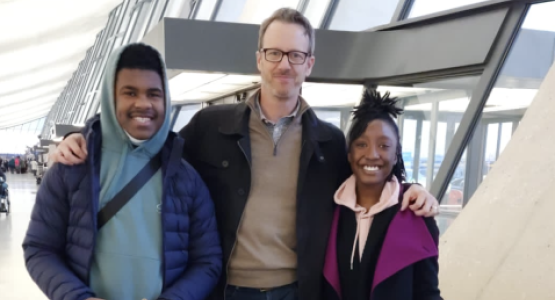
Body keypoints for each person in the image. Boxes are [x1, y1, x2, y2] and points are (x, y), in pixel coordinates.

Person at [51, 8, 439, 300]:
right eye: (274, 53)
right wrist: (86, 137)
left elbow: (369, 180)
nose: (284, 63)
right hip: (224, 289)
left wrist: (413, 189)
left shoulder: (330, 142)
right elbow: (148, 148)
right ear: (259, 59)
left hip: (295, 290)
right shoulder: (211, 126)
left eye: (295, 55)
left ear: (309, 65)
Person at [23, 43, 222, 300]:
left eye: (154, 94)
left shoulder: (186, 178)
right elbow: (39, 248)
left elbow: (208, 260)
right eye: (130, 92)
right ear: (111, 97)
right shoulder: (72, 169)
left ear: (166, 100)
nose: (143, 104)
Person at [322, 90, 442, 300]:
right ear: (349, 154)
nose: (372, 154)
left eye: (384, 146)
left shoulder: (416, 216)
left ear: (396, 155)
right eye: (361, 144)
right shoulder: (330, 211)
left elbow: (427, 293)